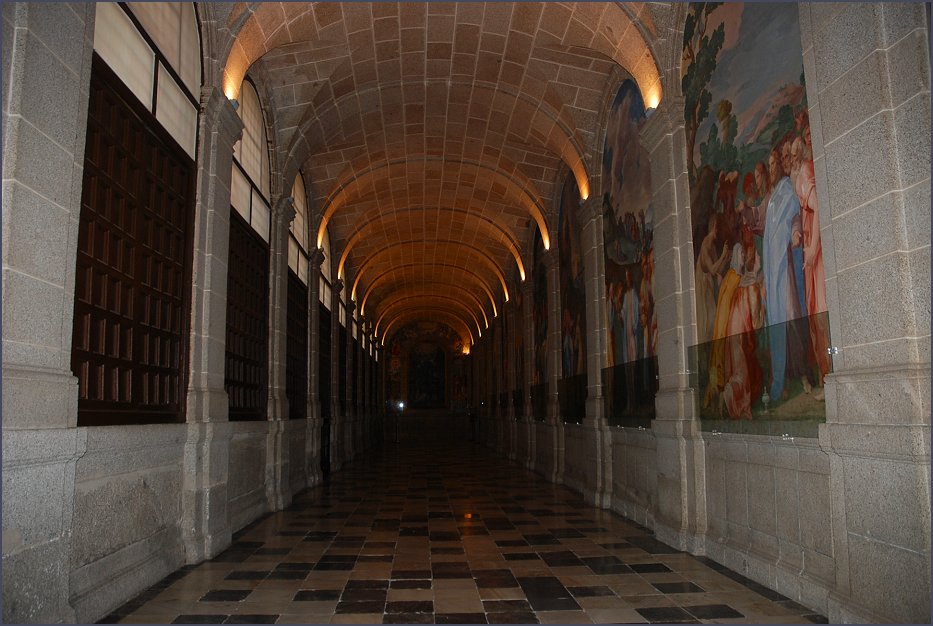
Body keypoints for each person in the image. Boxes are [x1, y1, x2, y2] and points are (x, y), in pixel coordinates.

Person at [738, 149, 809, 402]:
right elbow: (757, 217)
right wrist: (746, 210)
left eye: (773, 163)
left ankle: (802, 373)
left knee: (791, 314)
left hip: (786, 266)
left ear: (778, 165)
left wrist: (796, 232)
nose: (772, 167)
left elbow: (796, 216)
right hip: (772, 269)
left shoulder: (787, 187)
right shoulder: (770, 197)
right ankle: (782, 379)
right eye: (769, 164)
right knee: (776, 319)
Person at [791, 135, 830, 394]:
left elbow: (815, 206)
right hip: (813, 253)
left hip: (814, 258)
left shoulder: (804, 172)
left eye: (794, 153)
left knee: (820, 312)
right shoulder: (810, 169)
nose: (791, 159)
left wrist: (813, 248)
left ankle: (830, 377)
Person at [694, 213, 730, 343]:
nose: (720, 231)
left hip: (708, 287)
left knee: (713, 320)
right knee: (707, 323)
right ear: (714, 226)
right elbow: (712, 269)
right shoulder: (706, 244)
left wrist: (725, 259)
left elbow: (718, 270)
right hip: (702, 290)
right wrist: (723, 256)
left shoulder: (713, 246)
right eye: (719, 228)